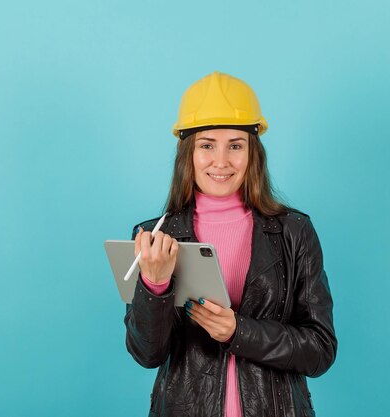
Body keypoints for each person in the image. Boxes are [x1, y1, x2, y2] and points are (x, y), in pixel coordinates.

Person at [124, 72, 337, 417]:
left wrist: (240, 331)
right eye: (207, 145)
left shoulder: (294, 231)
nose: (221, 161)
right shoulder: (153, 237)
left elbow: (320, 349)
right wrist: (155, 284)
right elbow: (146, 353)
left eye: (235, 145)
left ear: (253, 152)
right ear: (187, 153)